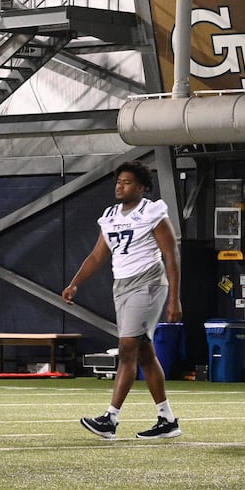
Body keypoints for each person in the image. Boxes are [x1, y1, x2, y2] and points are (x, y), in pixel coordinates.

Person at [65, 161, 183, 441]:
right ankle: (167, 419)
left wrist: (175, 299)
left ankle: (110, 418)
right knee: (144, 354)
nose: (120, 186)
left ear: (142, 187)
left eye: (127, 182)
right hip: (123, 286)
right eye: (119, 181)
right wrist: (74, 283)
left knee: (127, 349)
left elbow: (171, 254)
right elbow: (96, 256)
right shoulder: (110, 215)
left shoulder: (152, 211)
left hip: (149, 283)